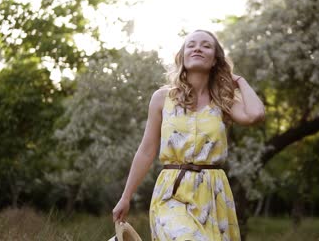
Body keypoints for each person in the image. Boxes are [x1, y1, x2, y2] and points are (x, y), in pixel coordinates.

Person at [112, 29, 265, 240]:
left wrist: (238, 80)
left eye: (206, 45)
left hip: (213, 194)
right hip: (172, 191)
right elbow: (146, 151)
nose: (198, 48)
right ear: (182, 56)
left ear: (215, 60)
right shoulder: (162, 98)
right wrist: (126, 197)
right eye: (191, 45)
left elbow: (256, 114)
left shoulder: (224, 102)